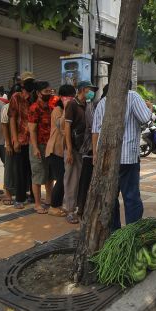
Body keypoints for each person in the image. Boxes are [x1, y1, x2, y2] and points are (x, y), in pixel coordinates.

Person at [92, 83, 151, 230]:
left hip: (106, 158)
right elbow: (145, 118)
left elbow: (95, 130)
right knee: (131, 197)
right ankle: (132, 232)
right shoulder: (132, 96)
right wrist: (149, 108)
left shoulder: (103, 101)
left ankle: (114, 234)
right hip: (127, 158)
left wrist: (95, 154)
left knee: (110, 197)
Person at [63, 81, 97, 223]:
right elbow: (67, 128)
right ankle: (70, 210)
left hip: (84, 148)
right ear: (83, 90)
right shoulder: (72, 104)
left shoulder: (88, 105)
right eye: (90, 89)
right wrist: (69, 151)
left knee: (80, 180)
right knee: (71, 179)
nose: (92, 92)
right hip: (73, 148)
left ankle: (78, 208)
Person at [46, 84, 76, 216]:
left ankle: (57, 204)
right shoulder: (57, 109)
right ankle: (53, 206)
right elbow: (61, 125)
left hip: (61, 149)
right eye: (69, 96)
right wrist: (65, 108)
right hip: (55, 149)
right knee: (61, 178)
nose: (72, 99)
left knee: (64, 177)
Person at [78, 84, 107, 217]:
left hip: (97, 149)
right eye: (90, 90)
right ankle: (81, 209)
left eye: (94, 91)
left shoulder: (95, 104)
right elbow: (93, 125)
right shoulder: (92, 105)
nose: (92, 93)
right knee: (85, 181)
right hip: (89, 149)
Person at [8, 71, 35, 208]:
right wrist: (14, 139)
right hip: (21, 137)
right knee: (20, 169)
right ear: (22, 83)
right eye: (27, 82)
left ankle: (34, 195)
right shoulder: (16, 97)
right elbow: (12, 118)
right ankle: (19, 197)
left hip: (34, 139)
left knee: (33, 168)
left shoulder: (36, 96)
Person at [28, 81, 55, 214]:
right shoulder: (34, 108)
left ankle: (48, 200)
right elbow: (32, 130)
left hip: (49, 145)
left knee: (49, 175)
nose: (49, 94)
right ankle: (37, 203)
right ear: (38, 93)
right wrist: (35, 147)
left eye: (50, 91)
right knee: (38, 174)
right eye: (46, 92)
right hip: (38, 145)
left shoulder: (50, 108)